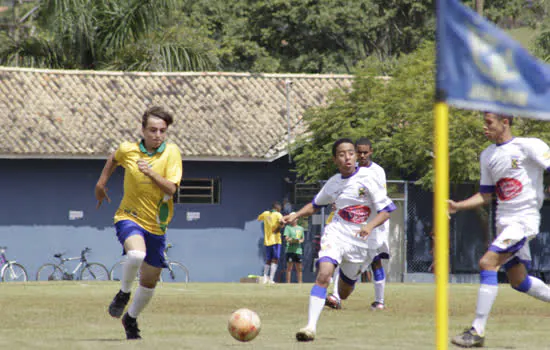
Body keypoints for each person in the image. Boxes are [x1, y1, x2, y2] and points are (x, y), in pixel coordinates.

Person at [449, 112, 550, 348]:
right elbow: (485, 195)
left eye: (489, 123)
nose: (485, 128)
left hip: (523, 222)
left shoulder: (529, 146)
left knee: (487, 263)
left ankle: (476, 331)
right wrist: (458, 206)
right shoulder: (488, 155)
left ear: (505, 122)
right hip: (504, 224)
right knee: (519, 281)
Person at [281, 138, 396, 342]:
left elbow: (386, 211)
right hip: (337, 233)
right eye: (342, 154)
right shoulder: (333, 183)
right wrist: (296, 215)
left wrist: (369, 226)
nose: (348, 158)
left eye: (350, 153)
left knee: (344, 292)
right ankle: (310, 327)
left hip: (360, 243)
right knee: (324, 274)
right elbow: (316, 204)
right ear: (335, 159)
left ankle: (346, 279)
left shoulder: (369, 178)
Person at [95, 106, 183, 340]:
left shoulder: (172, 153)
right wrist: (101, 184)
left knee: (149, 281)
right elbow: (114, 158)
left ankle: (130, 318)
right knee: (136, 255)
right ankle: (123, 293)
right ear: (143, 129)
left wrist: (151, 173)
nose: (157, 135)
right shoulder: (128, 150)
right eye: (152, 130)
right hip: (128, 217)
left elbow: (171, 189)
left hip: (157, 225)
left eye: (162, 131)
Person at [326, 137, 390, 311]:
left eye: (365, 152)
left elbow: (380, 200)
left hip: (373, 224)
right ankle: (335, 295)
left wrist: (371, 224)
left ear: (371, 152)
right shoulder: (348, 170)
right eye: (358, 152)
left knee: (375, 261)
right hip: (350, 223)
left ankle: (380, 300)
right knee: (340, 255)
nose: (361, 155)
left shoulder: (377, 172)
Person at [257, 202, 284, 284]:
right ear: (277, 208)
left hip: (267, 240)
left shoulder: (265, 213)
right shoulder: (278, 214)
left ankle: (265, 277)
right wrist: (279, 226)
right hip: (276, 240)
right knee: (275, 259)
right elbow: (282, 223)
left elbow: (259, 218)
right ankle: (271, 279)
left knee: (268, 259)